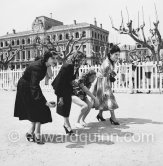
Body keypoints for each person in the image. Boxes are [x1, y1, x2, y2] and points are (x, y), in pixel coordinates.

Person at [14, 51, 57, 144]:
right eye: (53, 58)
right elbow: (34, 86)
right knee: (40, 107)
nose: (55, 60)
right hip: (25, 88)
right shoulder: (37, 67)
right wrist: (45, 102)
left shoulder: (45, 64)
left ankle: (31, 133)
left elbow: (49, 76)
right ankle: (37, 134)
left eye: (56, 58)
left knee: (37, 109)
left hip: (31, 86)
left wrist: (49, 67)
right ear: (47, 58)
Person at [51, 51, 86, 135]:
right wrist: (60, 96)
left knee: (67, 107)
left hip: (67, 87)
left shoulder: (75, 66)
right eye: (81, 60)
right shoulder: (67, 66)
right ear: (77, 59)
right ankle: (67, 125)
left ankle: (66, 124)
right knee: (65, 107)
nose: (83, 62)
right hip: (61, 88)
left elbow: (71, 78)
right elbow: (60, 81)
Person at [91, 44, 120, 125]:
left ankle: (100, 115)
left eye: (118, 55)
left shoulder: (111, 61)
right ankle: (113, 118)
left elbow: (109, 72)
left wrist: (111, 75)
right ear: (111, 54)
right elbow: (104, 74)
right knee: (110, 98)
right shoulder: (107, 64)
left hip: (104, 80)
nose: (117, 56)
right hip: (102, 81)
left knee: (103, 99)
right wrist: (105, 89)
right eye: (116, 55)